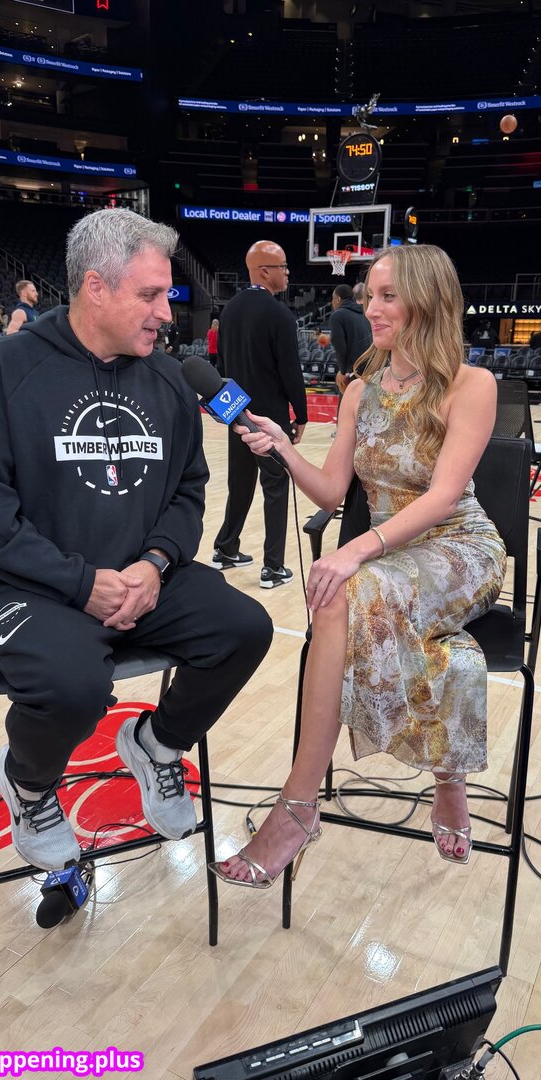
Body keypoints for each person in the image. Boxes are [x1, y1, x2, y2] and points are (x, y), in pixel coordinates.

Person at [0, 208, 273, 874]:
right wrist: (80, 583)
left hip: (139, 581)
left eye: (166, 295)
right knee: (73, 684)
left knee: (244, 627)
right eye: (149, 295)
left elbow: (187, 492)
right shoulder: (0, 373)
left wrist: (154, 563)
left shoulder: (169, 380)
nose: (165, 313)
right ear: (95, 287)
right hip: (21, 588)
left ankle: (157, 744)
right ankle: (29, 784)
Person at [209, 244, 506, 889]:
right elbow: (331, 493)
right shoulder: (359, 391)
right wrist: (283, 447)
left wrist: (355, 549)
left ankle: (296, 807)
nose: (371, 308)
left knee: (342, 588)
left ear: (428, 300)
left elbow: (443, 497)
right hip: (392, 556)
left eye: (388, 296)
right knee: (373, 607)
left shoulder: (471, 384)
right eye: (371, 295)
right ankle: (447, 775)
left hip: (460, 548)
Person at [212, 241, 308, 589]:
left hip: (235, 410)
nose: (288, 272)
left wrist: (227, 411)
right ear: (265, 271)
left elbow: (221, 366)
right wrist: (302, 415)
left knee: (239, 484)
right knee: (276, 486)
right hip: (269, 417)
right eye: (283, 266)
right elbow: (290, 371)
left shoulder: (229, 310)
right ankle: (273, 567)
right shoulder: (279, 315)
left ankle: (225, 549)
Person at [329, 283, 373, 396]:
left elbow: (340, 347)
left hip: (353, 372)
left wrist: (343, 371)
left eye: (333, 298)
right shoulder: (365, 314)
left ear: (338, 299)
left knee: (347, 405)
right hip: (371, 369)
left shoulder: (337, 316)